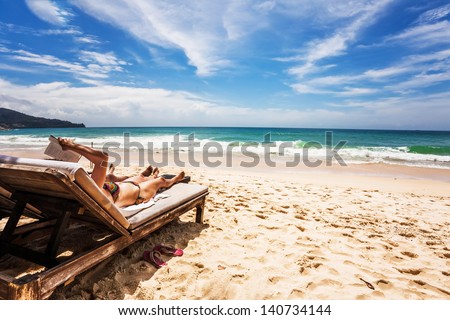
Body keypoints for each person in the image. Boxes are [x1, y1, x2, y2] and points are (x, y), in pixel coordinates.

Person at [57, 137, 185, 208]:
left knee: (139, 177)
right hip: (138, 194)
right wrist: (70, 145)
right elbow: (102, 158)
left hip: (123, 186)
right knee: (161, 181)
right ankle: (174, 179)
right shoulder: (93, 190)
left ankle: (146, 175)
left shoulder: (86, 187)